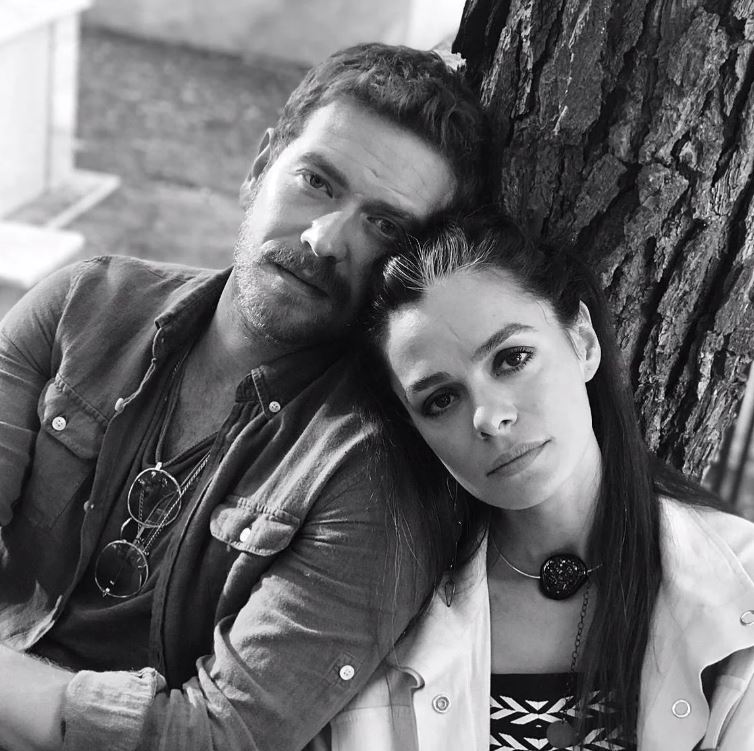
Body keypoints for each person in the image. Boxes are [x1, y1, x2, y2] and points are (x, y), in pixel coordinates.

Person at [0, 44, 490, 751]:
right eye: (317, 182)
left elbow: (222, 736)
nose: (324, 239)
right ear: (261, 166)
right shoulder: (84, 305)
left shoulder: (377, 475)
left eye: (384, 226)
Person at [315, 215, 754, 750]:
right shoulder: (380, 612)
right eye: (441, 399)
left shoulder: (740, 586)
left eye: (512, 359)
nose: (487, 417)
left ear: (583, 341)